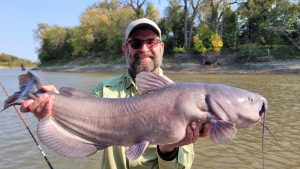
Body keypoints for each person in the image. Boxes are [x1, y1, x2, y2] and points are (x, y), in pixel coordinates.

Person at [21, 18, 209, 169]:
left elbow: (182, 166)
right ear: (125, 49)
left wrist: (169, 149)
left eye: (151, 41)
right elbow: (81, 121)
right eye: (136, 43)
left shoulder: (183, 98)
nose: (143, 48)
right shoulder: (104, 89)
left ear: (161, 47)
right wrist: (55, 106)